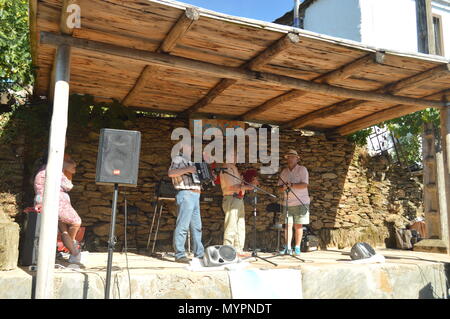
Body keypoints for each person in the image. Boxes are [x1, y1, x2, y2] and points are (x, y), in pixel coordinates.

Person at [34, 157, 83, 264]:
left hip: (48, 201)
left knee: (64, 230)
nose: (75, 168)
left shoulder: (43, 170)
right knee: (76, 222)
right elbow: (68, 186)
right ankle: (73, 247)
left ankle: (73, 252)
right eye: (73, 166)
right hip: (57, 202)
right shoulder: (54, 170)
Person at [168, 141, 204, 263]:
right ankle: (179, 255)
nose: (190, 148)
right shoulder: (178, 159)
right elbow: (171, 173)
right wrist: (189, 169)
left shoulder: (192, 162)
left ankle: (199, 254)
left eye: (192, 146)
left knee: (197, 227)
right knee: (183, 225)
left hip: (196, 195)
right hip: (185, 193)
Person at [219, 153, 254, 256]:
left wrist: (244, 184)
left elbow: (237, 185)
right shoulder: (226, 168)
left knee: (240, 225)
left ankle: (238, 250)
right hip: (232, 198)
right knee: (231, 225)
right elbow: (231, 187)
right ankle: (227, 250)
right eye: (235, 156)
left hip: (238, 198)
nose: (237, 158)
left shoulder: (233, 168)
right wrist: (247, 187)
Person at [278, 149, 310, 256]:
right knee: (287, 225)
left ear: (297, 159)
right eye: (289, 157)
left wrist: (291, 185)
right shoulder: (284, 171)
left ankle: (297, 247)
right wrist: (283, 187)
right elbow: (279, 187)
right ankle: (288, 247)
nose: (290, 159)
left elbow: (304, 185)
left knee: (298, 226)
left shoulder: (302, 169)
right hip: (287, 202)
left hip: (301, 202)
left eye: (293, 157)